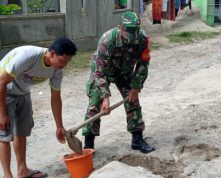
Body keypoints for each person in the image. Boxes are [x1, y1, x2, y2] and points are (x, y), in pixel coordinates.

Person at [0, 37, 77, 178]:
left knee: (22, 131)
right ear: (52, 53)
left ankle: (22, 170)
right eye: (62, 61)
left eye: (67, 62)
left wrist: (59, 126)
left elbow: (55, 97)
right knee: (4, 134)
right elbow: (1, 82)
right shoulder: (28, 56)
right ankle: (7, 175)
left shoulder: (57, 70)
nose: (64, 65)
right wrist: (2, 114)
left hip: (23, 92)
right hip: (4, 90)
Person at [82, 11, 155, 154]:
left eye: (133, 35)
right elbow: (99, 71)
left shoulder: (142, 39)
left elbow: (143, 64)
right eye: (128, 35)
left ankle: (137, 139)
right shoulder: (107, 40)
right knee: (95, 104)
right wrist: (105, 97)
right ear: (120, 28)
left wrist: (136, 87)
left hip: (125, 72)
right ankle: (88, 144)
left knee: (133, 101)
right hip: (104, 72)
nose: (130, 40)